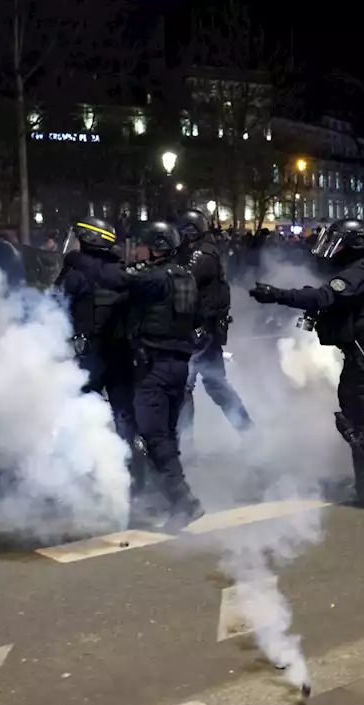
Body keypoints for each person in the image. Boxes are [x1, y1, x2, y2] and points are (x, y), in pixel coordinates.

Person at [249, 219, 364, 509]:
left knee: (355, 421)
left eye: (339, 243)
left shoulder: (358, 273)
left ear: (351, 246)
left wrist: (278, 295)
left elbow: (325, 296)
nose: (332, 249)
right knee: (360, 421)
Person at [125, 221, 205, 532]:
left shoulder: (154, 279)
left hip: (154, 366)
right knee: (166, 435)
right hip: (178, 366)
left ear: (156, 247)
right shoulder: (186, 277)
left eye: (143, 245)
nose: (138, 250)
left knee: (153, 435)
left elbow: (122, 285)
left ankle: (183, 501)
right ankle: (171, 499)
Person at [53, 218, 136, 444]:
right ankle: (134, 470)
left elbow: (54, 309)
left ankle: (92, 468)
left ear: (88, 241)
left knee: (83, 411)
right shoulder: (122, 273)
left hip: (89, 353)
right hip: (122, 352)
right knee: (124, 413)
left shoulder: (75, 274)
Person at [173, 209, 253, 442]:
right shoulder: (200, 251)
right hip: (205, 332)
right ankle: (248, 432)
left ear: (190, 232)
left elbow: (180, 279)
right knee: (214, 385)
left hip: (201, 333)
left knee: (189, 386)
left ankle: (186, 445)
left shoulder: (203, 254)